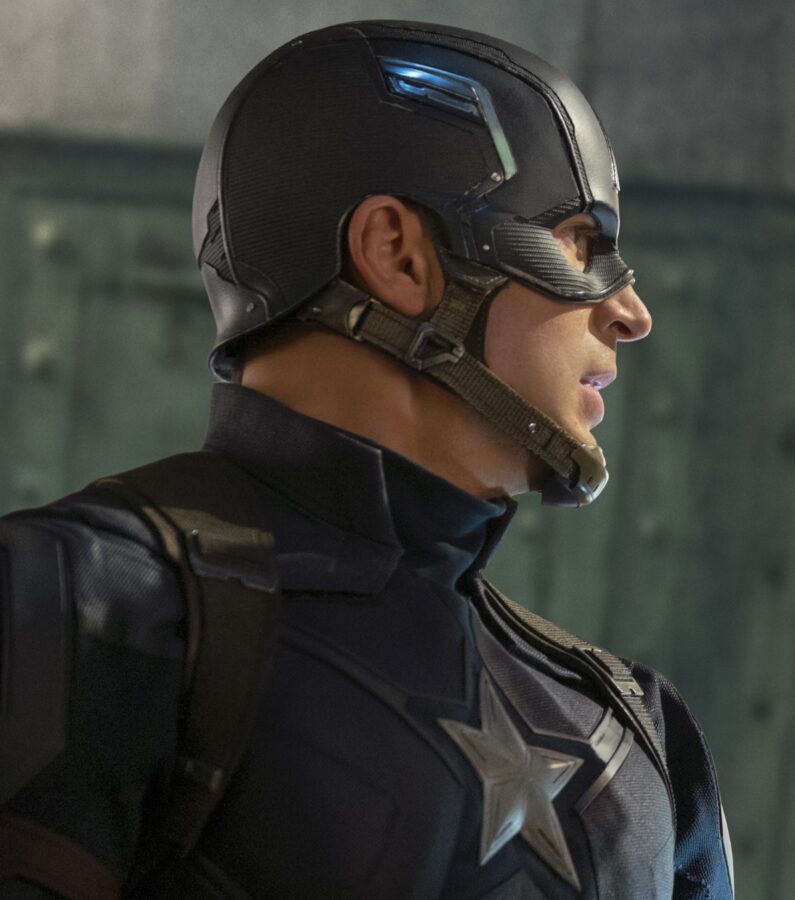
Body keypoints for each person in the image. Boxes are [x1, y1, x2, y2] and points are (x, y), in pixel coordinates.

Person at [0, 21, 734, 900]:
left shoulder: (635, 731)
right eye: (580, 241)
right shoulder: (78, 606)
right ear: (397, 254)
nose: (630, 312)